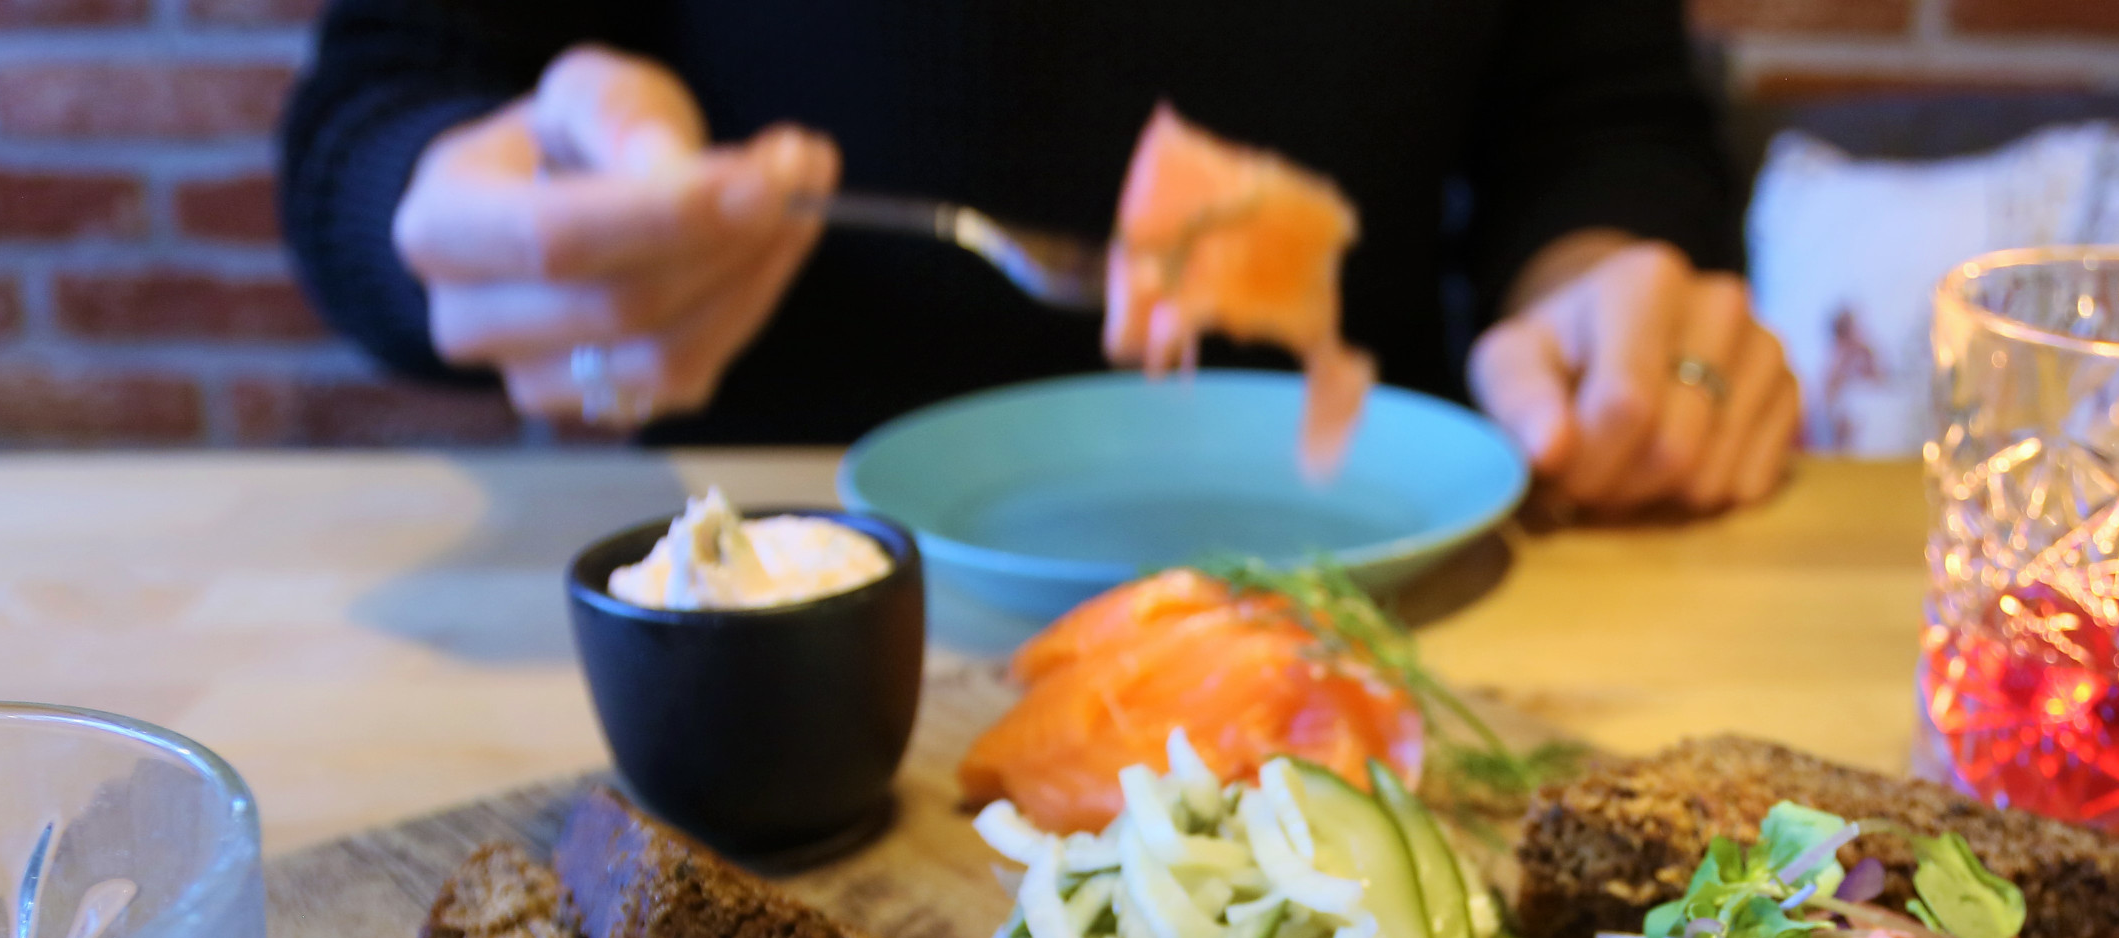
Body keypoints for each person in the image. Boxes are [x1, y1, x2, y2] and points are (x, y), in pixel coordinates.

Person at [282, 1, 1800, 514]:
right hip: (781, 590)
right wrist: (472, 215)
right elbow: (388, 87)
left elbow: (1602, 111)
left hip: (1376, 562)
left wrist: (1605, 281)